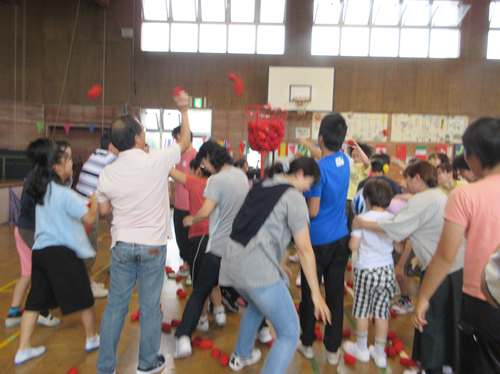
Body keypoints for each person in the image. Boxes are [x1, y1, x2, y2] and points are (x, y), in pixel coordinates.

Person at [95, 90, 191, 374]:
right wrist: (184, 109)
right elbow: (185, 142)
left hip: (122, 245)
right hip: (152, 247)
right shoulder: (156, 160)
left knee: (115, 307)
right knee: (151, 308)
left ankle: (105, 368)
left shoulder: (107, 173)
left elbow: (103, 211)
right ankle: (147, 364)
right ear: (138, 138)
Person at [220, 158, 332, 374]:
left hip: (232, 265)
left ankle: (241, 356)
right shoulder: (294, 198)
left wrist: (278, 262)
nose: (309, 188)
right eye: (310, 182)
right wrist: (316, 295)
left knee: (257, 305)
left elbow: (258, 225)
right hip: (256, 271)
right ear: (300, 174)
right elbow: (305, 250)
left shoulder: (263, 183)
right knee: (289, 332)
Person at [353, 161, 465, 374]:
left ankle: (431, 368)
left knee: (429, 320)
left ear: (417, 179)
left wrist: (362, 223)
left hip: (438, 269)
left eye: (407, 179)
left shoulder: (423, 200)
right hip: (454, 267)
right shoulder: (437, 195)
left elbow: (396, 227)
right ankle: (445, 365)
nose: (404, 185)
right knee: (448, 320)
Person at [413, 117, 500, 374]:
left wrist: (424, 297)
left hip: (483, 302)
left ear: (472, 156)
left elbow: (444, 256)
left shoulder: (465, 195)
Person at [15, 139, 99, 366]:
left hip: (40, 252)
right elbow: (89, 218)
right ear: (57, 168)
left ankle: (23, 349)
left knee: (35, 302)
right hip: (62, 253)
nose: (72, 162)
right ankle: (92, 338)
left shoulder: (44, 191)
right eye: (68, 160)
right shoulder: (66, 195)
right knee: (85, 298)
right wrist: (95, 201)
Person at [174, 141, 249, 358]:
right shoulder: (241, 175)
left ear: (209, 157)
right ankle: (263, 331)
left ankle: (183, 339)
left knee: (199, 293)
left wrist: (190, 220)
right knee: (249, 292)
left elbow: (205, 211)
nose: (204, 166)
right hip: (237, 246)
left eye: (204, 161)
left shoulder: (217, 180)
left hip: (217, 247)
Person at [297, 113, 350, 365]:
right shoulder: (344, 161)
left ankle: (307, 342)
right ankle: (332, 349)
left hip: (317, 241)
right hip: (341, 238)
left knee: (310, 291)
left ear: (321, 138)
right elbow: (324, 156)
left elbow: (313, 211)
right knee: (335, 293)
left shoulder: (318, 170)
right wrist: (310, 144)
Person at [344, 178, 404, 369]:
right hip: (386, 270)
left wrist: (355, 233)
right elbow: (399, 247)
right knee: (382, 312)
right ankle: (379, 352)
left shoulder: (363, 219)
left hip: (365, 269)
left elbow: (353, 245)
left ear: (367, 199)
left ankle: (361, 348)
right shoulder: (392, 219)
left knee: (362, 310)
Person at [6, 139, 61, 328]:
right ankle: (43, 312)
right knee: (44, 272)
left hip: (23, 229)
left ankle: (14, 313)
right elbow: (33, 205)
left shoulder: (36, 173)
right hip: (30, 230)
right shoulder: (40, 175)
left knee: (27, 273)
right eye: (54, 149)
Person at [169, 157, 222, 331]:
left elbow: (171, 172)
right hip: (217, 237)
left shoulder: (195, 182)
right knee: (212, 278)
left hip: (199, 237)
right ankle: (220, 311)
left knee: (199, 281)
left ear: (198, 171)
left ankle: (202, 318)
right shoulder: (217, 184)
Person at [75, 131, 118, 298]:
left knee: (87, 245)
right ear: (111, 146)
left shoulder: (96, 155)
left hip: (83, 205)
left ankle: (86, 282)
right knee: (89, 246)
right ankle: (86, 287)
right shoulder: (110, 158)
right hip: (86, 208)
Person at [172, 125, 198, 280]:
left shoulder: (196, 156)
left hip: (191, 206)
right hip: (178, 205)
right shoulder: (177, 156)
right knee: (180, 237)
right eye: (175, 138)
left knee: (190, 239)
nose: (176, 141)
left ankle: (192, 266)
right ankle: (185, 263)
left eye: (178, 138)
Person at [346, 141, 372, 232]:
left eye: (358, 151)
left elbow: (367, 162)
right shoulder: (348, 165)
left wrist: (357, 146)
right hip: (345, 199)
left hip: (356, 199)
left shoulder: (364, 167)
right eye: (353, 151)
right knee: (344, 224)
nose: (355, 153)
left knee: (353, 225)